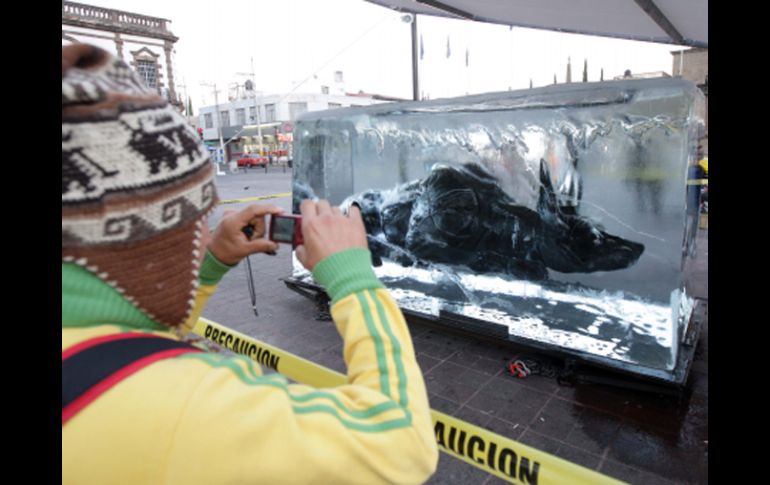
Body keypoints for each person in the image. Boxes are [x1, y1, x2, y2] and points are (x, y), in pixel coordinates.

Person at [62, 44, 438, 484]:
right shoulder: (183, 406)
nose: (205, 232)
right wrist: (354, 281)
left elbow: (124, 340)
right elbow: (399, 443)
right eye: (196, 220)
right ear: (150, 241)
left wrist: (208, 266)